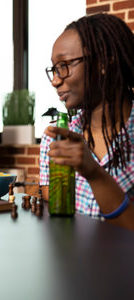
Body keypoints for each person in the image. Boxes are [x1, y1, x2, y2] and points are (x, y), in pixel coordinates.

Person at [40, 13, 134, 230]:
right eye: (53, 69)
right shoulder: (57, 137)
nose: (55, 80)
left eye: (64, 65)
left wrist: (93, 173)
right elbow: (50, 200)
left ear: (103, 62)